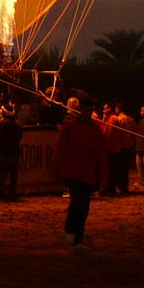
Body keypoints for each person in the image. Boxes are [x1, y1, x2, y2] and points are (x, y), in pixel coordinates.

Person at [53, 94, 107, 251]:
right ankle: (70, 230)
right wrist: (57, 170)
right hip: (73, 171)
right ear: (80, 110)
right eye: (85, 110)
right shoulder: (70, 126)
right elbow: (60, 149)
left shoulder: (96, 130)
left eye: (90, 110)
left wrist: (104, 175)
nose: (87, 113)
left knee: (84, 207)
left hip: (88, 172)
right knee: (78, 202)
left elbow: (101, 154)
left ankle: (78, 238)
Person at [0, 105, 24, 200]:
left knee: (1, 175)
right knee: (13, 175)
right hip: (16, 152)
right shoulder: (18, 124)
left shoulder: (4, 123)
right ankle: (11, 193)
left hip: (6, 152)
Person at [99, 103, 124, 195]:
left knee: (112, 170)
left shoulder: (112, 119)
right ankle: (110, 188)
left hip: (112, 149)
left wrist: (104, 146)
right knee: (111, 169)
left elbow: (108, 134)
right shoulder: (110, 118)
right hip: (112, 148)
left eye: (105, 109)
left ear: (110, 108)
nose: (103, 111)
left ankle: (111, 188)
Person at [114, 103, 137, 194]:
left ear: (118, 109)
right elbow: (136, 132)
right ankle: (124, 186)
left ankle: (119, 185)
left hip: (120, 146)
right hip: (128, 147)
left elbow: (116, 132)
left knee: (119, 167)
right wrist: (132, 142)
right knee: (125, 167)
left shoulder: (118, 119)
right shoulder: (131, 120)